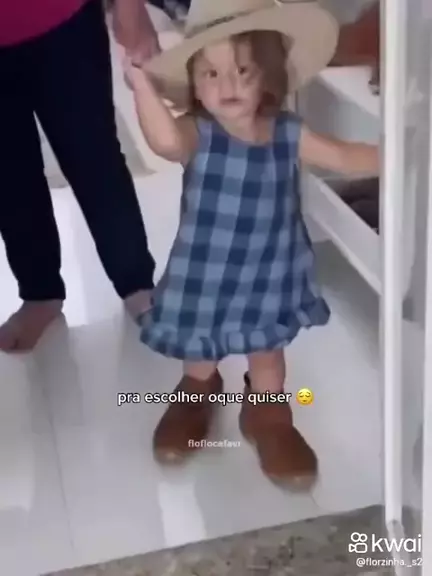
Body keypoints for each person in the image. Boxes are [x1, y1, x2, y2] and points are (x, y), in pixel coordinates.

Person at [125, 0, 379, 487]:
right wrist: (141, 87)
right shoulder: (197, 132)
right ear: (195, 84)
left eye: (243, 70)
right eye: (212, 73)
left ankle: (268, 415)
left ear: (269, 74)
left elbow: (345, 156)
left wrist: (403, 152)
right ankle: (197, 393)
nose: (228, 85)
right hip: (205, 271)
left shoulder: (287, 132)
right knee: (200, 348)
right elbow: (165, 143)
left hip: (270, 269)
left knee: (267, 355)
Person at [0, 0, 159, 352]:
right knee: (8, 177)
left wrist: (129, 7)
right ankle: (39, 293)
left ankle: (136, 284)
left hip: (63, 19)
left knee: (94, 155)